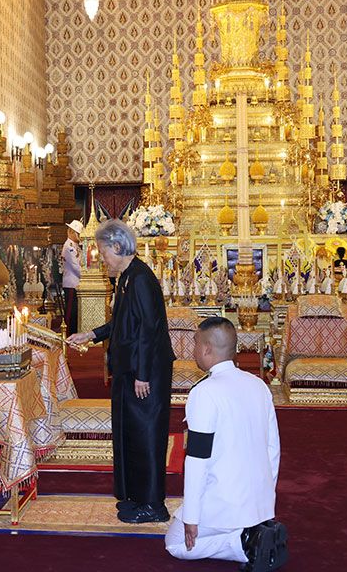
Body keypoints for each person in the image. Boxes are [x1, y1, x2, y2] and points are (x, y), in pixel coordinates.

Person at [68, 219, 174, 523]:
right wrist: (91, 335)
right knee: (130, 433)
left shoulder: (141, 278)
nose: (103, 261)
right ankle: (137, 496)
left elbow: (149, 330)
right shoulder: (127, 276)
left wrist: (141, 373)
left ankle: (153, 505)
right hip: (132, 370)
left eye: (104, 254)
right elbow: (124, 324)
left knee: (147, 434)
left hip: (146, 373)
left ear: (117, 246)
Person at [165, 317, 286, 571]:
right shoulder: (258, 385)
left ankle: (245, 544)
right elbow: (273, 448)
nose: (193, 350)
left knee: (175, 543)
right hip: (259, 502)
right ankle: (256, 531)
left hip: (224, 503)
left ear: (207, 349)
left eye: (196, 343)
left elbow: (198, 459)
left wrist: (192, 516)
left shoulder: (204, 392)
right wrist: (264, 498)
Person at [61, 220, 84, 334]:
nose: (79, 236)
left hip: (76, 282)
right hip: (72, 282)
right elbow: (75, 266)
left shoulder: (75, 246)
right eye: (78, 234)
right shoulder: (68, 246)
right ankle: (68, 332)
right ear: (72, 232)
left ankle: (74, 331)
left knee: (75, 310)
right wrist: (86, 277)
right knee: (71, 310)